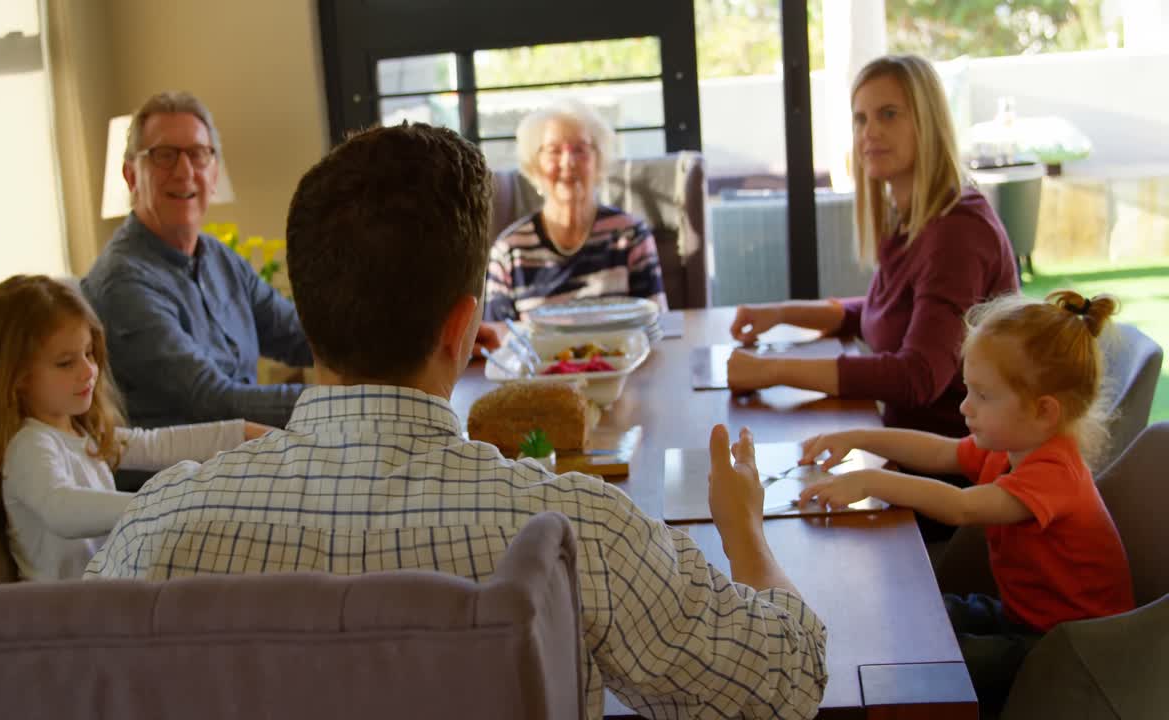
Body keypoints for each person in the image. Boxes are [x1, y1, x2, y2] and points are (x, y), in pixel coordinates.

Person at [86, 123, 827, 719]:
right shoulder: (573, 533)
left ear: (306, 323)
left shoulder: (158, 529)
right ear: (465, 328)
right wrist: (746, 533)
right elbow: (784, 682)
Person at [795, 290, 1135, 715]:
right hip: (1020, 616)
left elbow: (962, 507)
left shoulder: (1055, 475)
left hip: (1062, 648)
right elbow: (941, 452)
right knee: (913, 614)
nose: (964, 406)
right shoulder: (1013, 443)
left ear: (1045, 411)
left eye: (983, 395)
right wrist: (857, 438)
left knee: (924, 671)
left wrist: (872, 480)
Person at [727, 55, 1018, 441]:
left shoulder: (957, 230)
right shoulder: (910, 216)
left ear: (927, 124)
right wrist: (779, 313)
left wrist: (772, 370)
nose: (869, 132)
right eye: (860, 119)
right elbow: (888, 311)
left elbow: (919, 376)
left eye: (889, 114)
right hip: (908, 450)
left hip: (954, 474)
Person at [0, 275, 270, 581]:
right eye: (65, 362)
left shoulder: (81, 434)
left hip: (108, 590)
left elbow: (154, 445)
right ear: (17, 378)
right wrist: (163, 503)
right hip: (66, 614)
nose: (88, 370)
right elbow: (62, 508)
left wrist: (243, 433)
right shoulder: (29, 446)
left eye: (88, 353)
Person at [82, 91, 314, 428]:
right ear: (131, 176)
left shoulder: (220, 258)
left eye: (198, 154)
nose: (184, 171)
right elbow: (212, 401)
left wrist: (390, 355)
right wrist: (338, 403)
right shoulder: (123, 281)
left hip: (244, 454)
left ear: (214, 172)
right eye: (164, 155)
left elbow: (297, 335)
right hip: (181, 473)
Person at [484, 100, 669, 321]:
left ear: (598, 160)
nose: (568, 162)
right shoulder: (508, 252)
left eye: (580, 149)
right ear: (535, 163)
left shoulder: (630, 235)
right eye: (553, 151)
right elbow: (498, 344)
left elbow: (658, 325)